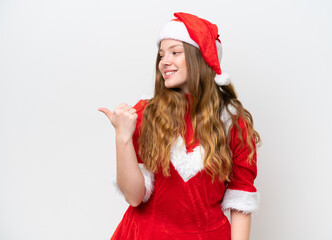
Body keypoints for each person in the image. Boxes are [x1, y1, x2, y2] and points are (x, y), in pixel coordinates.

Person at [98, 12, 261, 240]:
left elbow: (241, 197)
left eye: (175, 52)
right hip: (145, 234)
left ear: (200, 58)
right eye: (162, 54)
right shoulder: (146, 112)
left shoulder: (232, 121)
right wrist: (122, 136)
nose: (164, 61)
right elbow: (134, 197)